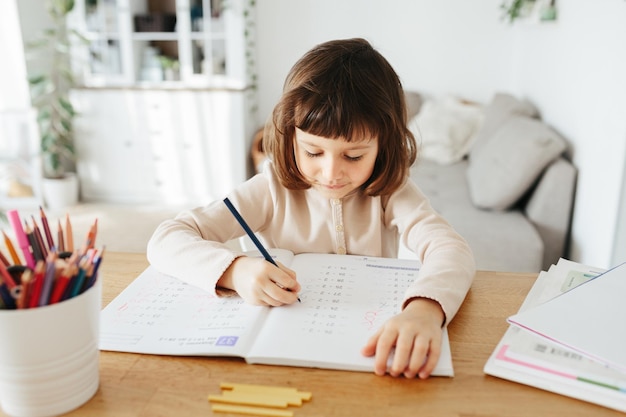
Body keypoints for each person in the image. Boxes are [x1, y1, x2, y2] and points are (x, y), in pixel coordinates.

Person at [147, 38, 475, 379]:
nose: (331, 173)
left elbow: (450, 249)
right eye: (313, 152)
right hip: (275, 358)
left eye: (354, 155)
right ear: (290, 137)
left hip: (363, 351)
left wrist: (425, 310)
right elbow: (166, 238)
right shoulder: (270, 189)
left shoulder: (392, 192)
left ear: (383, 145)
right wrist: (235, 270)